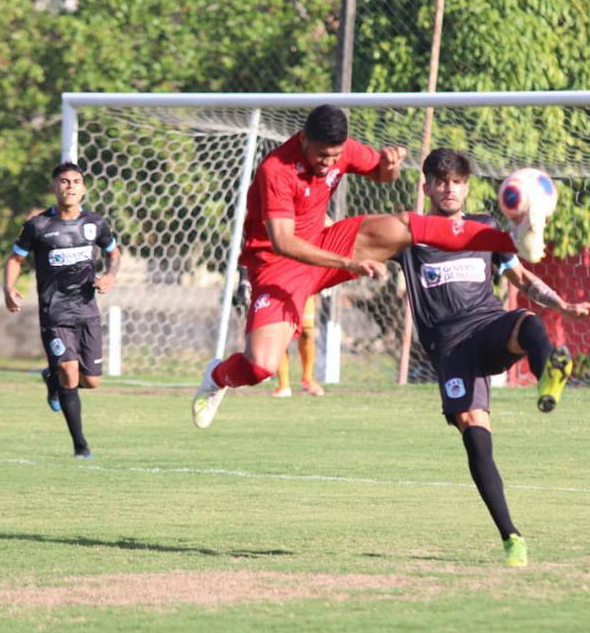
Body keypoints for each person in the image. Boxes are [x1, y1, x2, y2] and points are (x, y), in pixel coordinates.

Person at [192, 104, 522, 429]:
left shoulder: (341, 150)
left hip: (325, 242)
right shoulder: (275, 170)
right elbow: (283, 241)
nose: (329, 164)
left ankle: (507, 241)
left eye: (335, 157)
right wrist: (348, 263)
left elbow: (381, 174)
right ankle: (217, 376)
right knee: (260, 366)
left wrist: (390, 167)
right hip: (279, 266)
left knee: (404, 227)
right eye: (322, 156)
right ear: (304, 139)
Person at [398, 148, 590, 567]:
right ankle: (512, 537)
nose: (449, 188)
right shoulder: (410, 232)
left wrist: (565, 307)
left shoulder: (484, 228)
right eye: (441, 181)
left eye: (457, 181)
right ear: (427, 187)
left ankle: (551, 372)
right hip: (451, 348)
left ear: (468, 186)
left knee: (528, 322)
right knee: (476, 437)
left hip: (487, 325)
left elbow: (520, 277)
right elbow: (359, 243)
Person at [4, 162, 120, 458]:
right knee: (70, 372)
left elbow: (113, 253)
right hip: (54, 314)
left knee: (91, 381)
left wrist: (109, 276)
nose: (70, 186)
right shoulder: (38, 226)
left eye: (76, 181)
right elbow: (15, 259)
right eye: (64, 181)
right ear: (55, 187)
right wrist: (9, 287)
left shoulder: (95, 224)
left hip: (87, 312)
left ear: (83, 189)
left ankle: (51, 378)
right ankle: (81, 447)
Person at [271, 295, 324, 398]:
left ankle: (308, 379)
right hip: (281, 291)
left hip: (305, 290)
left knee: (307, 332)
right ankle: (284, 385)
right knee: (281, 333)